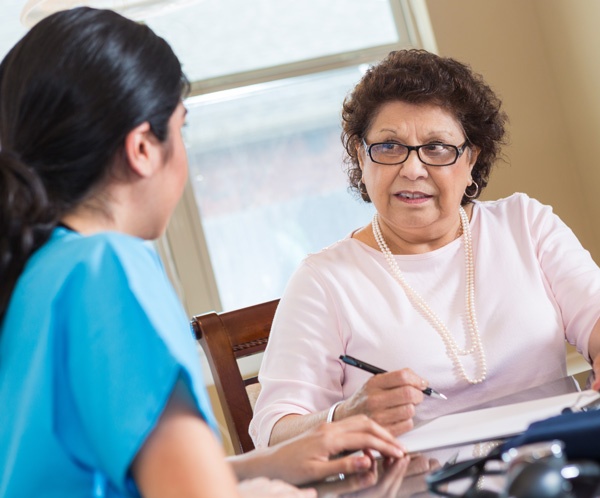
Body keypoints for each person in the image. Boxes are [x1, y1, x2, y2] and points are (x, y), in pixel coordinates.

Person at [0, 8, 408, 498]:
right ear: (143, 149)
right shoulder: (108, 269)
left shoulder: (35, 272)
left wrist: (272, 463)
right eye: (181, 127)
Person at [250, 49, 600, 449]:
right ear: (361, 157)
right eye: (389, 146)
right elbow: (273, 431)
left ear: (471, 159)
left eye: (436, 147)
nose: (412, 169)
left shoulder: (526, 224)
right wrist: (346, 416)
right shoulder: (324, 279)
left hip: (558, 464)